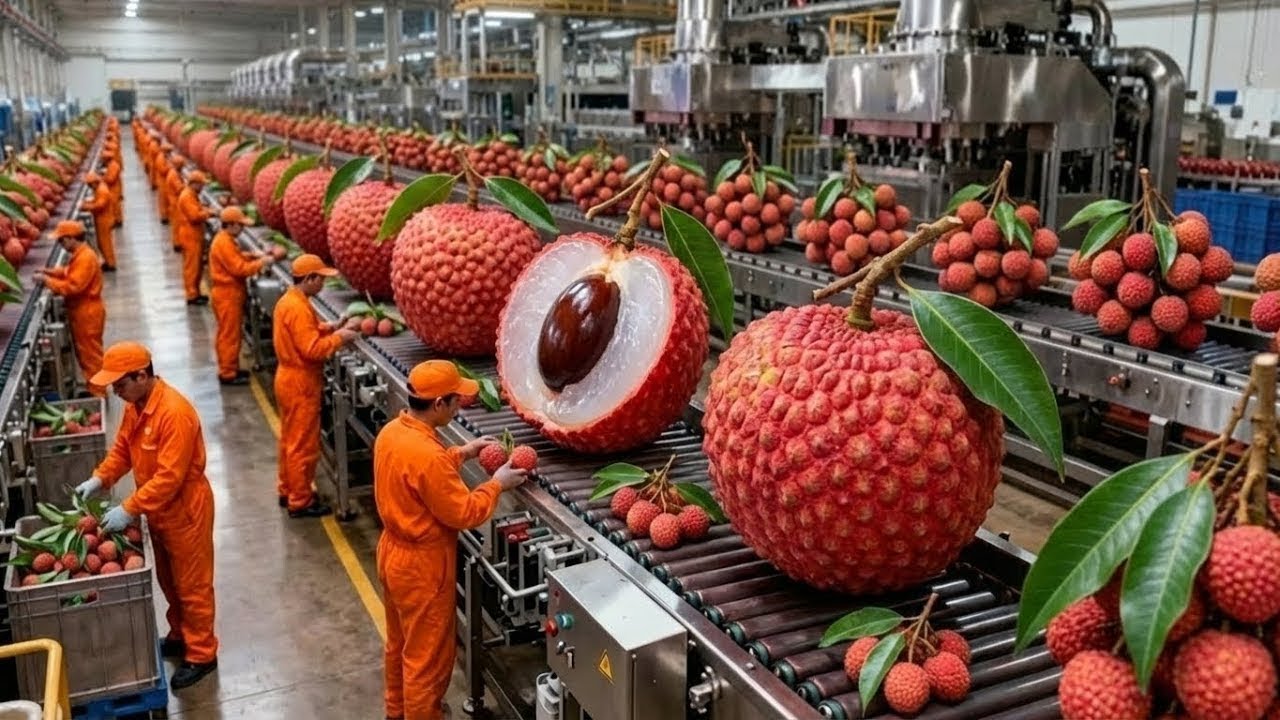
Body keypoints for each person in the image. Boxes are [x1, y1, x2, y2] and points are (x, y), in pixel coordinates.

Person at [374, 360, 528, 720]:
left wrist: (464, 452)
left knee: (400, 644)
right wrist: (497, 484)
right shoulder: (428, 456)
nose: (460, 405)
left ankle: (397, 711)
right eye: (456, 399)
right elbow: (465, 512)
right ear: (439, 404)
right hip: (422, 568)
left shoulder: (393, 432)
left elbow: (422, 473)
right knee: (427, 661)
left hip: (392, 553)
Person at [74, 342, 219, 691]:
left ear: (142, 375)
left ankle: (202, 654)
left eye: (120, 383)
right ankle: (181, 634)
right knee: (169, 580)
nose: (115, 391)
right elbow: (123, 451)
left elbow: (170, 478)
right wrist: (100, 478)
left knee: (192, 586)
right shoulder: (136, 406)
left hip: (185, 510)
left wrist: (129, 507)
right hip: (158, 509)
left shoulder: (174, 413)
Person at [272, 254, 360, 517]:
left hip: (288, 378)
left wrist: (332, 327)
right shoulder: (298, 308)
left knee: (290, 440)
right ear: (309, 279)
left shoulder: (292, 301)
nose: (323, 284)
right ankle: (301, 501)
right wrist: (340, 338)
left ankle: (287, 489)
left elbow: (306, 331)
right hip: (301, 384)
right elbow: (312, 349)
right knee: (303, 445)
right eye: (320, 279)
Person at [34, 221, 105, 391]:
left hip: (86, 313)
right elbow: (68, 272)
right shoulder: (80, 255)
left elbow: (73, 287)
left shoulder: (86, 258)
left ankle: (99, 393)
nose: (61, 245)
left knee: (90, 357)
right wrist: (49, 272)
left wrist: (47, 281)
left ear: (71, 238)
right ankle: (96, 389)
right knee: (86, 354)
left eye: (62, 240)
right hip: (82, 311)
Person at [208, 206, 272, 385]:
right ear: (231, 225)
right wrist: (262, 262)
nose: (242, 229)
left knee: (230, 333)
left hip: (229, 294)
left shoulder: (225, 239)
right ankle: (227, 373)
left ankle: (231, 367)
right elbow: (239, 268)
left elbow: (235, 257)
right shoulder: (223, 242)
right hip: (227, 295)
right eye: (240, 225)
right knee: (229, 335)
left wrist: (252, 255)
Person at [174, 170, 212, 306]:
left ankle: (195, 292)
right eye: (201, 184)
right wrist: (209, 213)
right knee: (192, 267)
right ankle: (191, 295)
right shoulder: (186, 196)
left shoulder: (191, 195)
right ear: (194, 184)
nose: (202, 187)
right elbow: (194, 216)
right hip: (190, 237)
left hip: (194, 236)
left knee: (197, 266)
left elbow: (197, 209)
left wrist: (205, 209)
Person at [81, 172, 117, 271]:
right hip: (101, 219)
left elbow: (99, 205)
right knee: (101, 243)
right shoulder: (99, 189)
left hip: (104, 220)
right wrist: (87, 203)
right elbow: (96, 202)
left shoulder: (102, 191)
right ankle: (107, 261)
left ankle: (111, 264)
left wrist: (86, 207)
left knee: (106, 244)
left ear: (94, 182)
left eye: (89, 184)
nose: (89, 186)